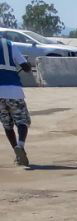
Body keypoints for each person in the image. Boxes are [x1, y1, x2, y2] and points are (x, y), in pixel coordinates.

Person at [0, 32, 32, 167]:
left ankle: (17, 153)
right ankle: (20, 145)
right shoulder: (9, 44)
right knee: (22, 121)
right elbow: (25, 66)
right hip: (13, 90)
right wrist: (27, 66)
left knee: (7, 125)